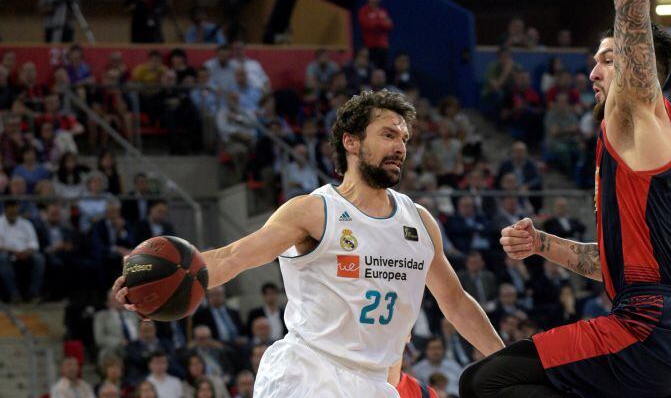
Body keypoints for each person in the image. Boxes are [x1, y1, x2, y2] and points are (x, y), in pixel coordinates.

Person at [114, 89, 504, 397]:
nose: (400, 145)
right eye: (387, 134)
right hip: (310, 376)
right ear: (351, 142)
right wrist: (162, 284)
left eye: (403, 137)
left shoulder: (419, 222)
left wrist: (510, 363)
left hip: (376, 383)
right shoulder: (314, 211)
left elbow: (455, 302)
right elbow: (235, 256)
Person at [460, 2, 671, 397]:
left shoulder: (643, 113)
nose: (592, 72)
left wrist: (628, 6)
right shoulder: (642, 151)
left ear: (640, 67)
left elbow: (632, 19)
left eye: (608, 60)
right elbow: (611, 262)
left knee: (484, 381)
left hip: (648, 330)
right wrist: (542, 244)